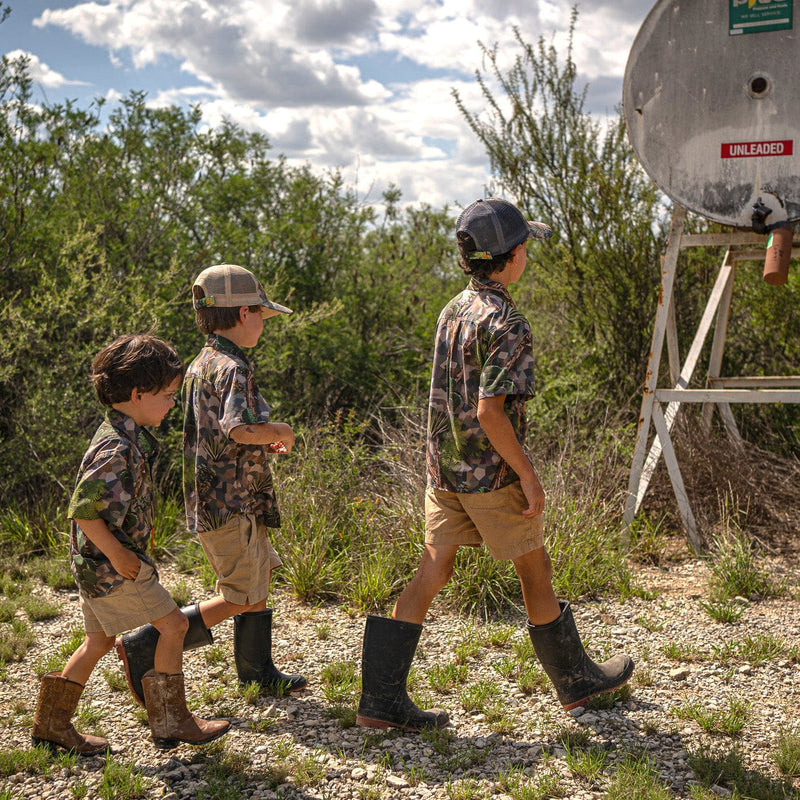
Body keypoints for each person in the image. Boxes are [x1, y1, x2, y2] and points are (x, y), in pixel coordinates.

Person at [356, 198, 634, 731]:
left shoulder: (452, 310)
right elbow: (491, 411)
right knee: (535, 566)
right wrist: (528, 475)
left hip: (443, 470)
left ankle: (379, 700)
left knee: (432, 570)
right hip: (488, 473)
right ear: (509, 256)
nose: (528, 253)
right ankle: (574, 683)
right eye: (525, 245)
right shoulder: (508, 322)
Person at [117, 264, 306, 707]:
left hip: (224, 497)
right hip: (231, 502)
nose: (263, 321)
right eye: (261, 312)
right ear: (244, 314)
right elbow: (240, 428)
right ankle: (146, 643)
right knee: (240, 593)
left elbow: (220, 434)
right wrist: (281, 432)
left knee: (256, 579)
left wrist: (263, 446)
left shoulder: (203, 362)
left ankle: (258, 672)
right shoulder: (233, 368)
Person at [32, 334, 230, 754]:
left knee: (99, 642)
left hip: (93, 566)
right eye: (168, 395)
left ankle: (52, 724)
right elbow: (83, 510)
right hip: (111, 565)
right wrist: (121, 555)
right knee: (174, 625)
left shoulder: (124, 435)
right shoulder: (117, 447)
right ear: (138, 394)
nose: (172, 404)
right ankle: (172, 721)